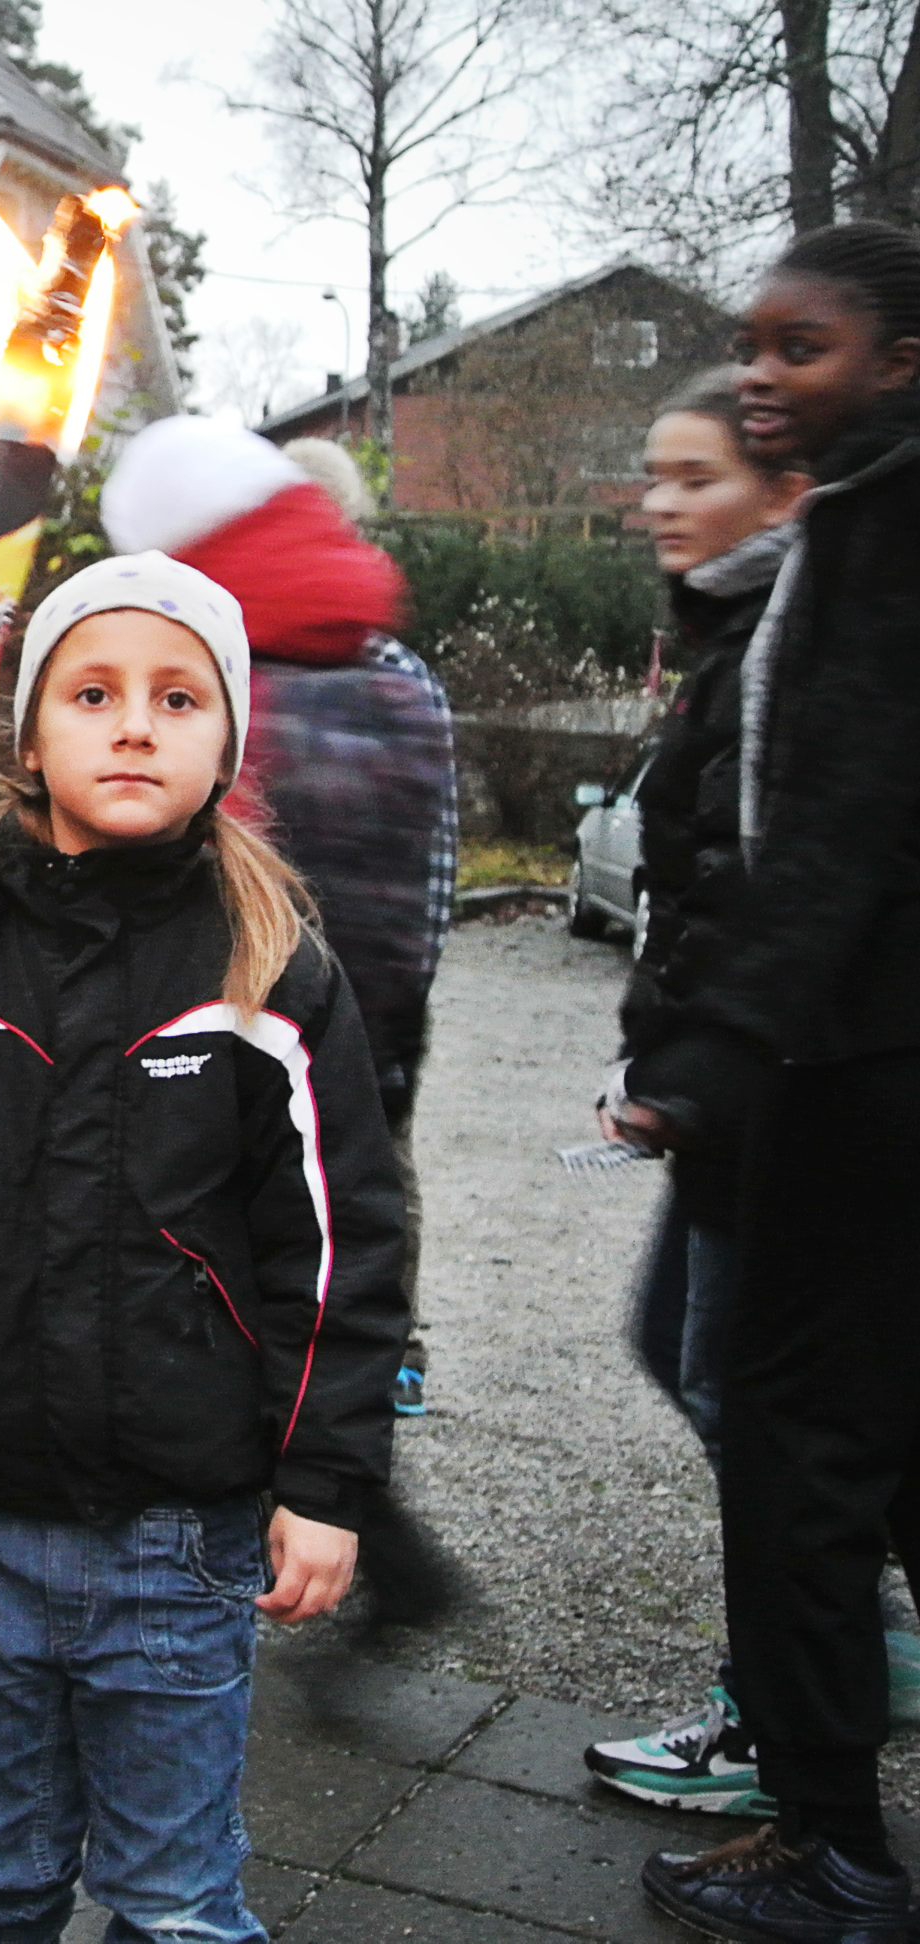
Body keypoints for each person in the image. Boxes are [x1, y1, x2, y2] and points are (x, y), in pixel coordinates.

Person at [0, 554, 411, 1944]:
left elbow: (340, 1248)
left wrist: (325, 1480)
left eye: (177, 697)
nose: (135, 724)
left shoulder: (269, 967)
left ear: (227, 738)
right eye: (94, 691)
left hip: (181, 1540)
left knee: (175, 1898)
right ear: (30, 732)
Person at [639, 222, 920, 1944]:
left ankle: (831, 1842)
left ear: (895, 362)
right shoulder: (842, 523)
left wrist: (725, 1048)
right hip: (855, 1053)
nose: (762, 370)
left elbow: (833, 821)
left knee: (795, 1448)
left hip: (854, 1068)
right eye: (753, 341)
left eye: (800, 346)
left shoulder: (882, 533)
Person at [102, 416, 451, 1415]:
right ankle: (364, 1384)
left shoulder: (217, 687)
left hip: (234, 1045)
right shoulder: (398, 679)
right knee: (355, 1219)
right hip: (372, 1030)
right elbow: (430, 867)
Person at [576, 370, 809, 1821]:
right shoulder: (733, 628)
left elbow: (759, 889)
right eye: (652, 475)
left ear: (783, 490)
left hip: (770, 1107)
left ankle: (784, 1713)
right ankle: (831, 1659)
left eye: (696, 476)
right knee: (691, 1352)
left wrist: (693, 1068)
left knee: (755, 1400)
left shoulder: (791, 639)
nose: (661, 501)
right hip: (729, 1098)